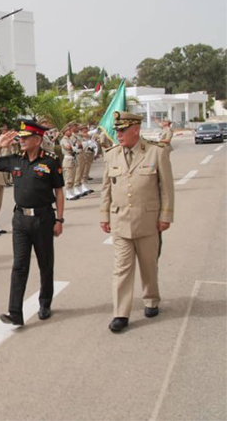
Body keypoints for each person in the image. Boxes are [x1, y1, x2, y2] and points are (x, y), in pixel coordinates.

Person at [100, 111, 174, 333]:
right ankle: (121, 313)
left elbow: (166, 188)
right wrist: (104, 215)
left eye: (122, 130)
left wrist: (165, 216)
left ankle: (151, 299)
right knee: (121, 269)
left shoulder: (155, 152)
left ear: (136, 130)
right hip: (120, 221)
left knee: (148, 265)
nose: (118, 135)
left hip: (148, 221)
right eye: (117, 131)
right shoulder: (111, 155)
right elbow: (106, 188)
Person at [0, 119, 65, 326]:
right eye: (20, 137)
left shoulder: (50, 161)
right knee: (19, 266)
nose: (21, 140)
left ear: (37, 139)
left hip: (43, 218)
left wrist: (59, 219)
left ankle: (45, 303)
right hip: (20, 220)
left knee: (45, 264)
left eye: (25, 137)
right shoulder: (15, 159)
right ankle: (15, 313)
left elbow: (59, 191)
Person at [59, 123, 79, 201]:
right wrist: (75, 147)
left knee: (73, 176)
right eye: (68, 131)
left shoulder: (69, 139)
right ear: (65, 132)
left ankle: (71, 192)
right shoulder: (64, 140)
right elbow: (68, 147)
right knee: (69, 177)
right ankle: (68, 193)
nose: (70, 132)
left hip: (72, 159)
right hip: (68, 160)